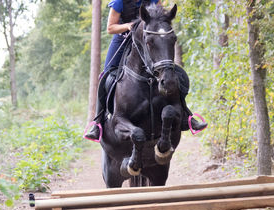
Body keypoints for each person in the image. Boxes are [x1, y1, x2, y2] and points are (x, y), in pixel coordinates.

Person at [85, 0, 207, 140]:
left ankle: (186, 115)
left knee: (174, 72)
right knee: (107, 76)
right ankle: (98, 122)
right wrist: (129, 26)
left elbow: (161, 19)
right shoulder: (119, 2)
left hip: (149, 38)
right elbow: (110, 28)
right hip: (123, 38)